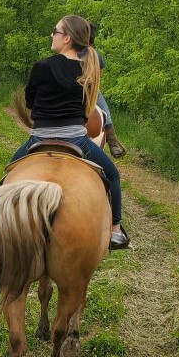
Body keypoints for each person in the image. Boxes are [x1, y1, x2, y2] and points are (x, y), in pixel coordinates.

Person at [11, 15, 131, 250]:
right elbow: (87, 114)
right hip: (76, 139)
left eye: (55, 31)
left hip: (39, 138)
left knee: (7, 176)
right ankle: (116, 231)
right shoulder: (88, 71)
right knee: (113, 175)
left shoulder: (41, 66)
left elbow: (30, 107)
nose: (51, 35)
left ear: (66, 39)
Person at [88, 23, 127, 159]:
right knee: (106, 112)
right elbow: (99, 77)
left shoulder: (73, 51)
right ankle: (113, 143)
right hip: (91, 90)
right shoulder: (96, 55)